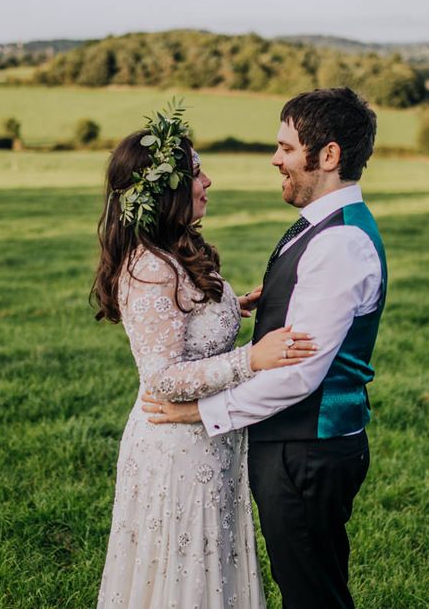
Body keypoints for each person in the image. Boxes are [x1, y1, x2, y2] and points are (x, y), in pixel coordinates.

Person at [143, 88, 387, 609]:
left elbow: (297, 374)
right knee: (311, 584)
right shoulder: (323, 227)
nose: (275, 158)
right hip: (301, 446)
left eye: (286, 147)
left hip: (307, 449)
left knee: (312, 595)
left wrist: (197, 412)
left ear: (328, 156)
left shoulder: (339, 242)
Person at [93, 101, 318, 608]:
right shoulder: (150, 268)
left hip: (209, 439)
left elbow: (184, 325)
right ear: (165, 191)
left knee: (210, 567)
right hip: (175, 444)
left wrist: (227, 308)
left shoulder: (174, 250)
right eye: (196, 173)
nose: (208, 181)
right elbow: (163, 378)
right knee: (182, 572)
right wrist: (251, 359)